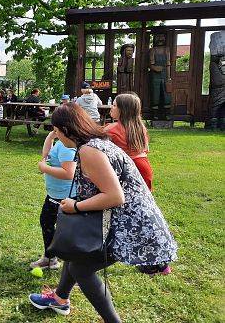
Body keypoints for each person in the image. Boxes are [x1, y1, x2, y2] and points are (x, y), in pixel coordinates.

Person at [29, 103, 177, 322]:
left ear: (68, 130)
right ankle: (60, 299)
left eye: (58, 133)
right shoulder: (95, 143)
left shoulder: (90, 150)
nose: (58, 137)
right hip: (125, 219)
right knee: (77, 252)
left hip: (130, 225)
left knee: (82, 269)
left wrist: (76, 206)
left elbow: (115, 196)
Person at [30, 130, 76, 270]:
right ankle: (51, 257)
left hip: (64, 196)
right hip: (55, 194)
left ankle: (59, 259)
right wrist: (50, 137)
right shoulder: (61, 142)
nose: (53, 128)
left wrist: (45, 168)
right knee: (47, 222)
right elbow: (46, 156)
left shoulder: (67, 147)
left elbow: (69, 173)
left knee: (63, 229)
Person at [104, 93, 153, 190]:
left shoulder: (111, 129)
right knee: (143, 201)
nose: (111, 108)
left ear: (123, 110)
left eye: (114, 105)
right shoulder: (140, 127)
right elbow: (145, 148)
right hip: (144, 166)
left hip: (126, 168)